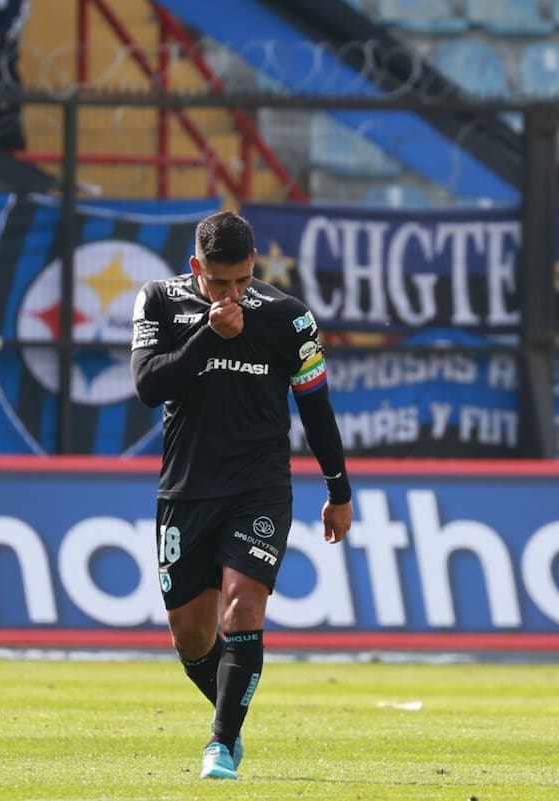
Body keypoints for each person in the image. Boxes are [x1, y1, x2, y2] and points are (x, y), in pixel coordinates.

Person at [130, 211, 354, 781]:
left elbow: (317, 408)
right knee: (191, 636)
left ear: (254, 264)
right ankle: (231, 713)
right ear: (196, 267)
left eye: (241, 280)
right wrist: (211, 335)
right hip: (186, 489)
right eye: (217, 282)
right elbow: (149, 385)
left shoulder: (289, 318)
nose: (231, 294)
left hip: (260, 487)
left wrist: (339, 490)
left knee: (243, 608)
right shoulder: (159, 301)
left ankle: (221, 744)